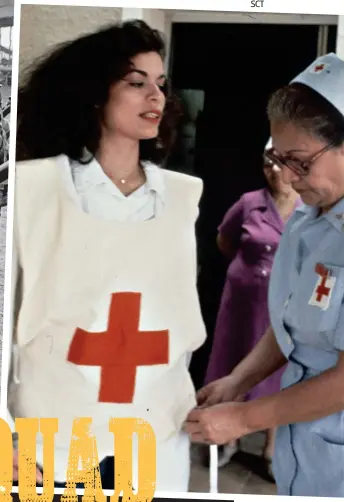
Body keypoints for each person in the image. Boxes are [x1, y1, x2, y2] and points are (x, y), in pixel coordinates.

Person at [9, 19, 206, 491]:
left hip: (153, 432)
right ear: (95, 94)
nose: (155, 97)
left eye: (160, 84)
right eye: (136, 84)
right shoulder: (32, 189)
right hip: (52, 432)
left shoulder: (182, 197)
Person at [184, 52, 344, 498]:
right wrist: (238, 381)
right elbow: (291, 324)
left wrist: (243, 419)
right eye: (278, 158)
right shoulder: (307, 220)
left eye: (299, 162)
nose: (285, 176)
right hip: (301, 442)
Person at [203, 151, 300, 471]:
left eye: (280, 162)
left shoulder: (308, 206)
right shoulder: (249, 202)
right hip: (243, 301)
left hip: (283, 306)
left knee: (277, 370)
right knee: (233, 362)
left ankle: (271, 448)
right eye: (266, 162)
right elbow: (224, 240)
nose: (273, 170)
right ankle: (227, 439)